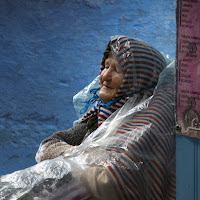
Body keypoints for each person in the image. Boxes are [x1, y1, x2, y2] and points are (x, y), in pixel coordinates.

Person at [0, 36, 175, 200]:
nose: (105, 76)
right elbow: (48, 145)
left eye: (117, 70)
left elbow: (114, 178)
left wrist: (77, 163)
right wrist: (81, 156)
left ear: (138, 79)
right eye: (106, 66)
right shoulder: (97, 117)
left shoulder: (149, 125)